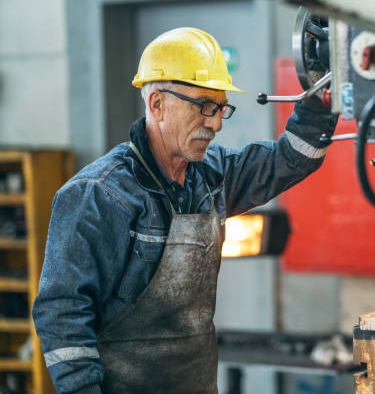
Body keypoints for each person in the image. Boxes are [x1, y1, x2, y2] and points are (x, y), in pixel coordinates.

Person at [32, 27, 337, 394]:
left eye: (222, 107)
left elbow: (291, 159)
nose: (216, 123)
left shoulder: (213, 176)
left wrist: (321, 89)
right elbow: (61, 316)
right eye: (204, 106)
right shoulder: (97, 196)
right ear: (157, 104)